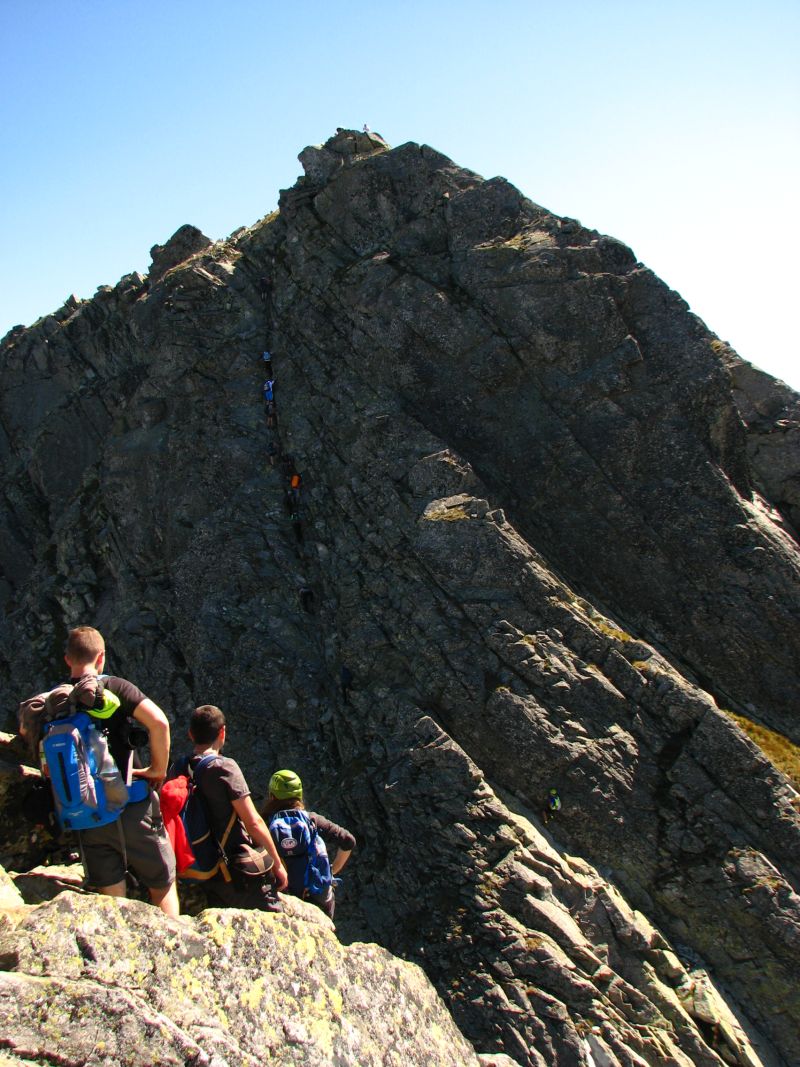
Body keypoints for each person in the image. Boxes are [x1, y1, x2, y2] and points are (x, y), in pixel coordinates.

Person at [58, 626, 179, 916]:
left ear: (67, 659)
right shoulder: (114, 687)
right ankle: (173, 940)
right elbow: (159, 723)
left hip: (87, 814)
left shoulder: (59, 700)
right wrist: (157, 770)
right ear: (101, 657)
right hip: (132, 803)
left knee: (113, 901)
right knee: (162, 884)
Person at [181, 704, 288, 910]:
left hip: (197, 869)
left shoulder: (179, 767)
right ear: (222, 732)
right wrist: (277, 864)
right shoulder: (223, 767)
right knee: (272, 919)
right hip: (237, 869)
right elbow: (253, 822)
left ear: (190, 734)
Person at [261, 769, 354, 920]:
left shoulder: (264, 824)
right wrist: (332, 870)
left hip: (283, 898)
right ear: (299, 795)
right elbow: (348, 841)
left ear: (272, 796)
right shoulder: (312, 820)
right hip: (318, 895)